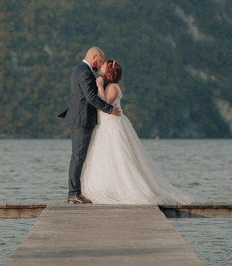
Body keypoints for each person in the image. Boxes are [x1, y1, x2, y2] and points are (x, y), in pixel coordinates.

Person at [81, 60, 197, 204]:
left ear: (110, 72)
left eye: (104, 65)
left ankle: (119, 189)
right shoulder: (107, 86)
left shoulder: (112, 87)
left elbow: (105, 106)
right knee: (105, 158)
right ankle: (105, 188)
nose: (101, 66)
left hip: (112, 126)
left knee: (118, 157)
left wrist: (98, 86)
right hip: (104, 125)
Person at [58, 47, 121, 204]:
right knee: (78, 157)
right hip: (81, 120)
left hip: (82, 118)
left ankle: (77, 192)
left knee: (79, 156)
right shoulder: (84, 72)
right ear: (94, 57)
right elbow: (91, 97)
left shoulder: (82, 70)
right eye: (100, 61)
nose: (100, 65)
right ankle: (73, 193)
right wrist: (110, 109)